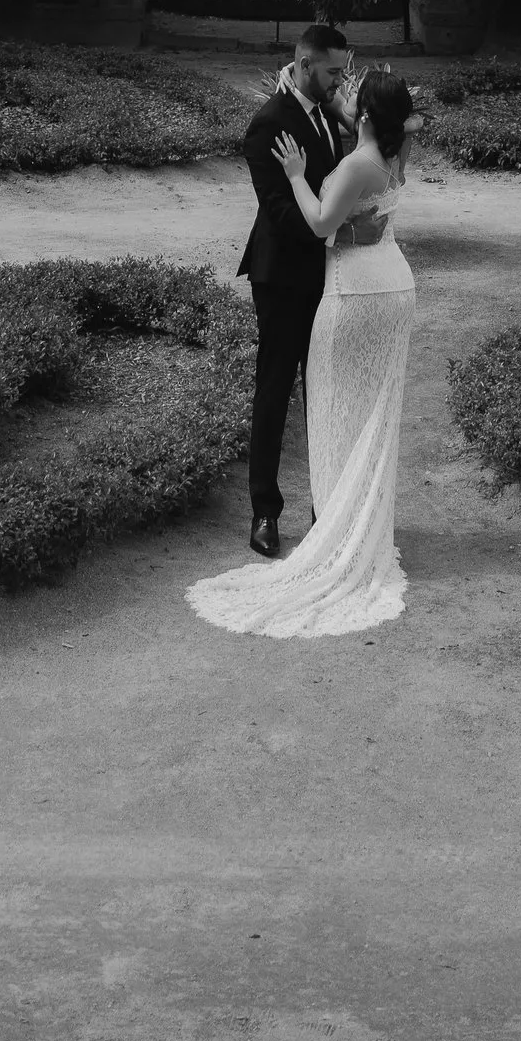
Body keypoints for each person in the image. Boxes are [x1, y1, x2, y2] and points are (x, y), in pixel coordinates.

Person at [189, 63, 419, 639]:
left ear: (362, 113)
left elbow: (318, 222)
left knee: (334, 402)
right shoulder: (392, 154)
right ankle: (314, 515)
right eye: (335, 75)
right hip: (385, 283)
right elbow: (373, 130)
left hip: (351, 288)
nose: (341, 88)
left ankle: (335, 521)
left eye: (351, 87)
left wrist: (296, 171)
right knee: (358, 406)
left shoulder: (356, 158)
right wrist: (357, 113)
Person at [226, 20, 353, 556]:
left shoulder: (327, 113)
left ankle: (326, 504)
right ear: (304, 66)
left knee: (322, 388)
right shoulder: (268, 123)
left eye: (344, 73)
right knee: (276, 390)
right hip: (280, 278)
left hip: (324, 274)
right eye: (332, 73)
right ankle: (264, 511)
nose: (341, 82)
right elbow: (276, 211)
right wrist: (330, 227)